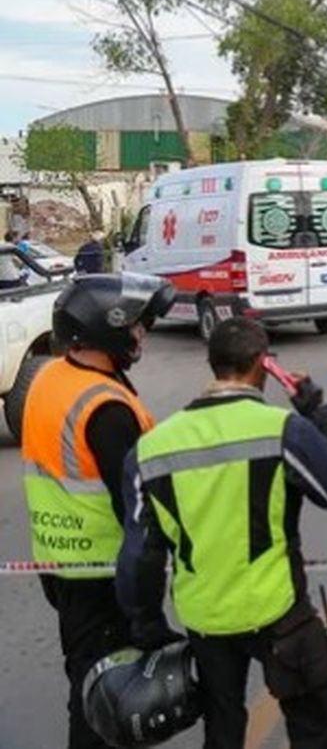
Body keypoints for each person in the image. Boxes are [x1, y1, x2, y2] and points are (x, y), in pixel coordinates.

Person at [116, 318, 327, 749]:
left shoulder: (150, 449)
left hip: (205, 617)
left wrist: (149, 628)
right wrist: (319, 413)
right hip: (277, 611)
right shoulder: (281, 429)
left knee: (223, 725)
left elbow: (139, 558)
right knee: (318, 714)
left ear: (212, 364)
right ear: (263, 364)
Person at [21, 274, 172, 749]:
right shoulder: (106, 407)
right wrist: (147, 608)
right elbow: (140, 511)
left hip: (60, 562)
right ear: (104, 328)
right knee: (107, 696)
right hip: (106, 573)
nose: (141, 334)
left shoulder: (52, 378)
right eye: (134, 325)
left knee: (85, 677)